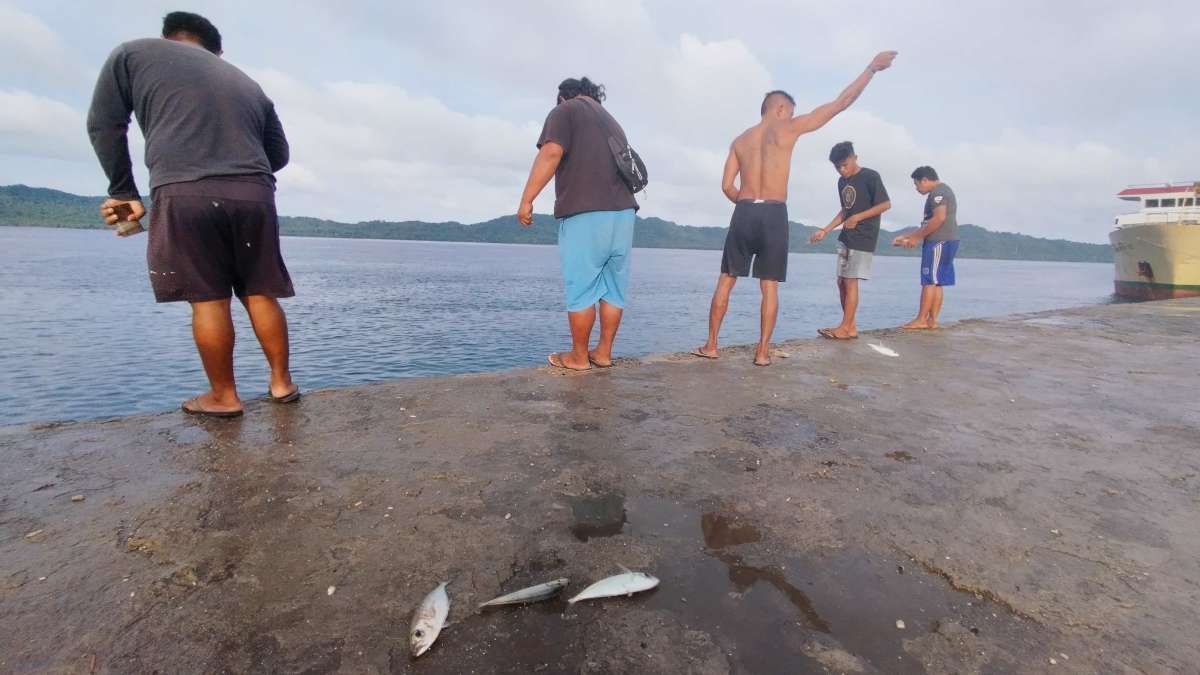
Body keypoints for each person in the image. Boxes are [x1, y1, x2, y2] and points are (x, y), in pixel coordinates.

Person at [87, 11, 298, 418]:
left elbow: (105, 125)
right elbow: (280, 155)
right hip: (255, 193)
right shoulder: (247, 83)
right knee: (260, 290)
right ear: (216, 50)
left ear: (168, 37)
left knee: (208, 297)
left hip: (187, 190)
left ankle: (223, 396)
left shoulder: (133, 53)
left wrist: (122, 191)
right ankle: (281, 383)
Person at [693, 51, 898, 366]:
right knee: (769, 285)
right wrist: (871, 69)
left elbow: (726, 187)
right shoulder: (786, 129)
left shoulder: (740, 141)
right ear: (779, 108)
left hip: (744, 210)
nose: (790, 116)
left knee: (726, 279)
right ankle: (762, 353)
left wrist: (748, 203)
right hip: (774, 213)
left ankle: (711, 345)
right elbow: (839, 103)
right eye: (790, 111)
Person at [518, 77, 639, 371]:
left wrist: (527, 199)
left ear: (563, 97)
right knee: (612, 288)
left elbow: (551, 152)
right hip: (623, 214)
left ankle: (578, 357)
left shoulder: (565, 110)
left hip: (586, 213)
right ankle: (604, 353)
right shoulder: (612, 121)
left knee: (582, 287)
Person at [808, 141, 891, 339]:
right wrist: (825, 230)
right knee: (841, 282)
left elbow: (885, 204)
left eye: (845, 165)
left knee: (850, 281)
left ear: (855, 158)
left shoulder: (870, 176)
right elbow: (846, 210)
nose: (842, 170)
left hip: (864, 236)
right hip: (846, 236)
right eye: (837, 167)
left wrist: (858, 217)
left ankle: (845, 328)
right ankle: (849, 326)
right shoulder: (842, 182)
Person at [892, 166, 959, 329]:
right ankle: (932, 320)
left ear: (925, 180)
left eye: (917, 184)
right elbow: (930, 222)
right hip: (947, 241)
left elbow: (938, 218)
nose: (916, 188)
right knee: (937, 281)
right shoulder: (944, 191)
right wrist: (909, 236)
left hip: (938, 242)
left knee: (929, 280)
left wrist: (915, 238)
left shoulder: (938, 192)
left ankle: (922, 319)